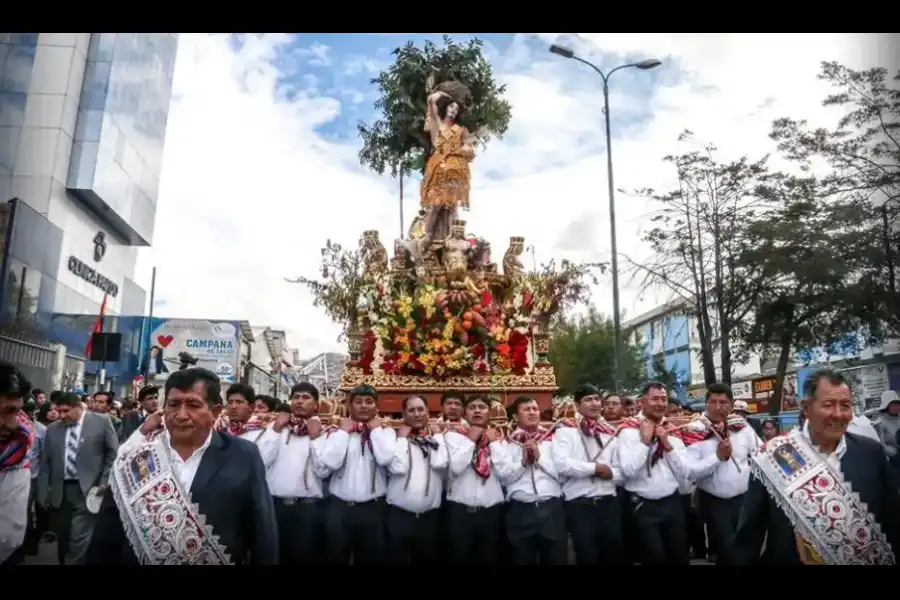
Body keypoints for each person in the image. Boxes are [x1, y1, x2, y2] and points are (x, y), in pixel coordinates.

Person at [86, 367, 279, 565]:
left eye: (193, 405)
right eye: (174, 404)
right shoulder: (138, 456)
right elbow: (107, 532)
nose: (181, 415)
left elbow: (262, 532)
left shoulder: (244, 455)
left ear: (215, 412)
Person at [732, 369, 899, 564]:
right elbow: (749, 537)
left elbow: (892, 520)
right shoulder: (774, 456)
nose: (838, 414)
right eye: (828, 405)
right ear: (805, 407)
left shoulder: (870, 452)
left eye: (845, 405)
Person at [682, 383, 762, 565]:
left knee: (747, 546)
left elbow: (760, 452)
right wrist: (717, 457)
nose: (719, 407)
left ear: (732, 405)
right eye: (713, 402)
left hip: (744, 499)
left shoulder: (742, 427)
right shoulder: (695, 432)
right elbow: (690, 472)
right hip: (715, 503)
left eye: (724, 402)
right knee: (728, 550)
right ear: (706, 404)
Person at [37, 391, 118, 565]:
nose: (62, 415)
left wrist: (104, 482)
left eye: (66, 411)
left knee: (79, 538)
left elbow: (113, 453)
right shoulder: (53, 429)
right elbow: (45, 463)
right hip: (60, 492)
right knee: (64, 537)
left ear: (78, 407)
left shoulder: (101, 422)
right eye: (59, 411)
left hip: (88, 490)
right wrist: (42, 492)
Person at [617, 381, 692, 565]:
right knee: (653, 557)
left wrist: (667, 445)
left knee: (679, 555)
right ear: (642, 402)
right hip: (643, 505)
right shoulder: (628, 431)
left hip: (672, 502)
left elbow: (684, 474)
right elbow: (628, 471)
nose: (660, 403)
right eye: (655, 399)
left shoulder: (672, 429)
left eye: (663, 399)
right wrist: (644, 442)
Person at [319, 384, 396, 564]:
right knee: (335, 557)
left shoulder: (386, 432)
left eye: (369, 402)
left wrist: (375, 431)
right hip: (340, 508)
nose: (363, 406)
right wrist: (344, 432)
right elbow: (331, 462)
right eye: (358, 401)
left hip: (374, 508)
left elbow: (385, 458)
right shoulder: (336, 432)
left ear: (376, 407)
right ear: (349, 405)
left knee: (371, 558)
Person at [552, 385, 625, 565]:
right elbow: (561, 465)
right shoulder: (566, 430)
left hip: (609, 503)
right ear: (577, 405)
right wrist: (594, 469)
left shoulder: (610, 431)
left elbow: (623, 469)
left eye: (597, 399)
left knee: (614, 554)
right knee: (587, 555)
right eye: (588, 399)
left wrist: (611, 473)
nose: (594, 403)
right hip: (580, 506)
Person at [443, 394, 511, 564]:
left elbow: (506, 473)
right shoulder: (453, 436)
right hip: (460, 512)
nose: (477, 411)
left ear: (489, 413)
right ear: (465, 413)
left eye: (482, 407)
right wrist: (471, 439)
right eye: (472, 407)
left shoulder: (499, 438)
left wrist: (494, 443)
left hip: (492, 513)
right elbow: (455, 467)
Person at [267, 382, 329, 565]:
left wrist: (315, 437)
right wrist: (276, 430)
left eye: (306, 397)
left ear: (316, 405)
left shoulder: (326, 431)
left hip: (307, 509)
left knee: (304, 558)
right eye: (296, 397)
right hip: (274, 507)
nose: (299, 401)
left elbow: (324, 469)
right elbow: (261, 461)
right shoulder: (275, 427)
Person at [385, 395, 447, 565]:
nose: (417, 414)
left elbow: (441, 463)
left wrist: (438, 436)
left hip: (430, 518)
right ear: (404, 414)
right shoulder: (394, 438)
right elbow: (397, 467)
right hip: (399, 516)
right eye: (411, 410)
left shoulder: (437, 440)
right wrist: (402, 439)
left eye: (420, 409)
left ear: (428, 412)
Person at [0, 361, 35, 566]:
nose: (14, 423)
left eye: (16, 411)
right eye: (6, 410)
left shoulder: (19, 445)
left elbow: (9, 536)